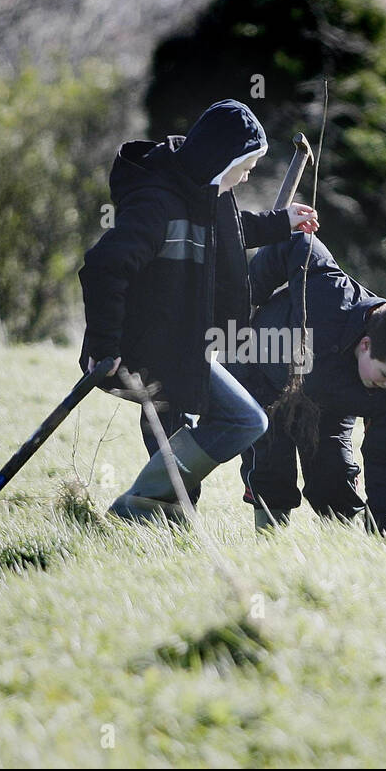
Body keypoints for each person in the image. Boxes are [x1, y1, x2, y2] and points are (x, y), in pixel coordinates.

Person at [79, 99, 319, 523]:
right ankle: (137, 511)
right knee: (243, 420)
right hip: (150, 353)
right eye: (246, 164)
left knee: (214, 433)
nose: (249, 174)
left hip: (185, 346)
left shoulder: (206, 192)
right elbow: (104, 267)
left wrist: (281, 222)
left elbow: (230, 233)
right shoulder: (156, 202)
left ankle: (153, 517)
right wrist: (103, 343)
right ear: (222, 158)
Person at [232, 232, 386, 536]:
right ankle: (269, 541)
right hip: (265, 376)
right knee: (270, 467)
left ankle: (339, 540)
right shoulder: (329, 296)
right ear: (366, 345)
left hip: (328, 404)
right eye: (385, 376)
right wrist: (245, 300)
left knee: (333, 477)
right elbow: (298, 243)